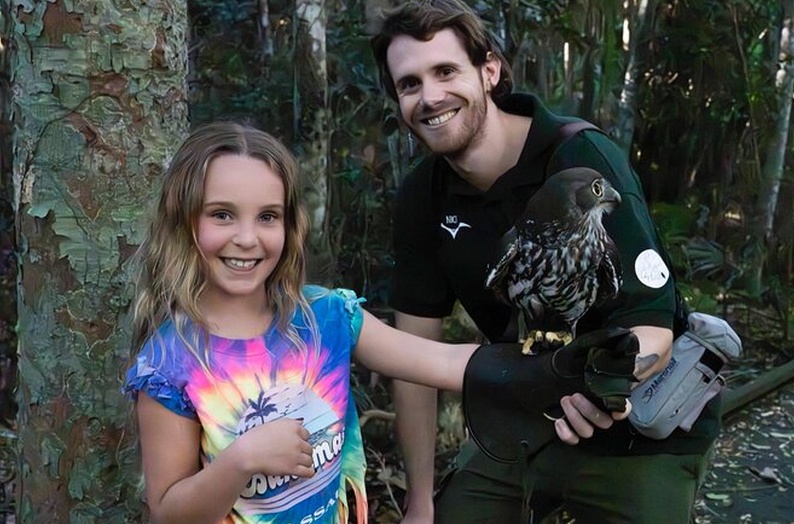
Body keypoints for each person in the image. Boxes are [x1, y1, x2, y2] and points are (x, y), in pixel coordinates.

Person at [122, 121, 635, 524]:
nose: (247, 238)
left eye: (268, 216)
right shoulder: (171, 363)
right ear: (185, 221)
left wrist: (561, 368)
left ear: (289, 224)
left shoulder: (324, 317)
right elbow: (168, 512)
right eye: (222, 215)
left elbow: (441, 361)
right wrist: (241, 461)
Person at [370, 1, 722, 523]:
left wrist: (601, 388)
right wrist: (419, 499)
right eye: (410, 83)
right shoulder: (424, 196)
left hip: (639, 423)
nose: (431, 96)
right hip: (526, 411)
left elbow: (652, 321)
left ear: (489, 71)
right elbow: (413, 356)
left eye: (446, 71)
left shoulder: (581, 159)